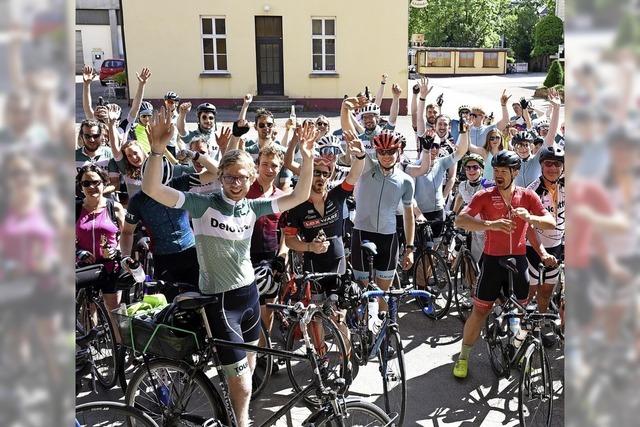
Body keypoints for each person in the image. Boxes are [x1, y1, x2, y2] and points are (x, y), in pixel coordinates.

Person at [141, 109, 318, 427]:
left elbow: (301, 194)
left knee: (247, 372)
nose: (236, 183)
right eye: (229, 176)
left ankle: (235, 414)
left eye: (242, 177)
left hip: (248, 297)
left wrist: (306, 157)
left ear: (252, 179)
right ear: (220, 176)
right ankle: (240, 422)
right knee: (243, 383)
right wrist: (155, 151)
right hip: (219, 301)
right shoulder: (202, 203)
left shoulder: (253, 206)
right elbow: (153, 190)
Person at [452, 150, 555, 379]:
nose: (498, 175)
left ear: (515, 172)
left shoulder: (527, 196)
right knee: (480, 310)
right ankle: (463, 357)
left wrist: (531, 219)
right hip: (492, 261)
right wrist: (490, 224)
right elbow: (461, 219)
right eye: (495, 170)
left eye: (503, 171)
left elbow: (549, 222)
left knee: (523, 314)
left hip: (518, 261)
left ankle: (520, 352)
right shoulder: (485, 196)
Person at [120, 155, 200, 289]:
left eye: (164, 187)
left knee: (200, 298)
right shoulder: (138, 201)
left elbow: (214, 173)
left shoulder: (180, 183)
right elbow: (127, 232)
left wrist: (196, 156)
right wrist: (125, 256)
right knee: (171, 303)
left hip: (191, 251)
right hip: (163, 257)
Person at [525, 145, 565, 347]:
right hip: (533, 248)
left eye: (557, 164)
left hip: (557, 247)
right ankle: (520, 334)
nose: (552, 168)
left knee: (546, 292)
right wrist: (541, 252)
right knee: (529, 293)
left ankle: (538, 328)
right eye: (548, 164)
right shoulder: (533, 191)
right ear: (541, 166)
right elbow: (528, 227)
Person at [246, 145, 288, 336]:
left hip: (271, 258)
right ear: (257, 165)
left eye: (274, 165)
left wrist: (282, 257)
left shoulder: (282, 197)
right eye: (265, 164)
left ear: (280, 168)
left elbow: (286, 233)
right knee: (249, 308)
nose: (269, 169)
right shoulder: (246, 191)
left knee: (267, 310)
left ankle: (264, 352)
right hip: (246, 257)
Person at [75, 165, 126, 313]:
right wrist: (79, 253)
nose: (91, 187)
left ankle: (117, 337)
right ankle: (93, 335)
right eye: (86, 183)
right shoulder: (75, 208)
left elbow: (126, 236)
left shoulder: (115, 207)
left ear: (104, 183)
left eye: (96, 182)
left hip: (111, 267)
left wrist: (116, 250)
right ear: (81, 187)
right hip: (85, 268)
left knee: (115, 313)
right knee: (89, 313)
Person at [452, 154, 486, 263]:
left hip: (486, 228)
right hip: (472, 228)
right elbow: (460, 196)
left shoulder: (488, 186)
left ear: (481, 169)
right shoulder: (462, 185)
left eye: (475, 167)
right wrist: (453, 212)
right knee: (474, 262)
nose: (471, 170)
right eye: (468, 168)